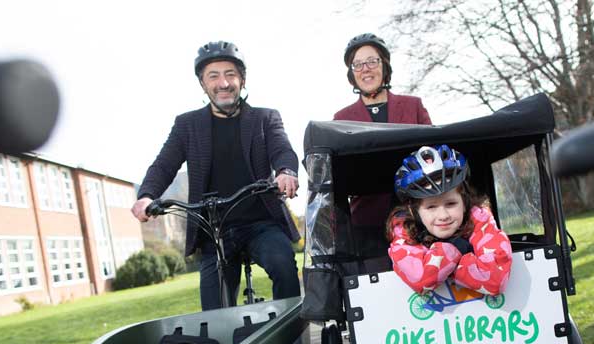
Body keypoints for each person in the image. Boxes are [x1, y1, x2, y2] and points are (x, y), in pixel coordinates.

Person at [131, 41, 301, 309]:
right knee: (213, 310)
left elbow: (282, 150)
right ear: (203, 83)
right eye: (214, 76)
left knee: (284, 266)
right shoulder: (187, 125)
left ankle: (292, 341)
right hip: (214, 229)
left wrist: (286, 172)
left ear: (242, 80)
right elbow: (164, 165)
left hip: (261, 223)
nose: (223, 83)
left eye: (230, 74)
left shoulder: (265, 119)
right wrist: (146, 196)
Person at [333, 34, 433, 253]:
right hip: (368, 221)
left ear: (384, 66)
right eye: (357, 64)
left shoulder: (413, 105)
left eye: (372, 61)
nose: (365, 69)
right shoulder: (342, 118)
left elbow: (432, 154)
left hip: (419, 215)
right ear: (352, 73)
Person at [386, 145, 512, 295]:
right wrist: (455, 249)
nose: (443, 215)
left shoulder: (479, 219)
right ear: (414, 211)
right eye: (431, 207)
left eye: (451, 204)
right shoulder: (404, 231)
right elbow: (421, 280)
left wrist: (444, 269)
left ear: (465, 202)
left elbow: (495, 280)